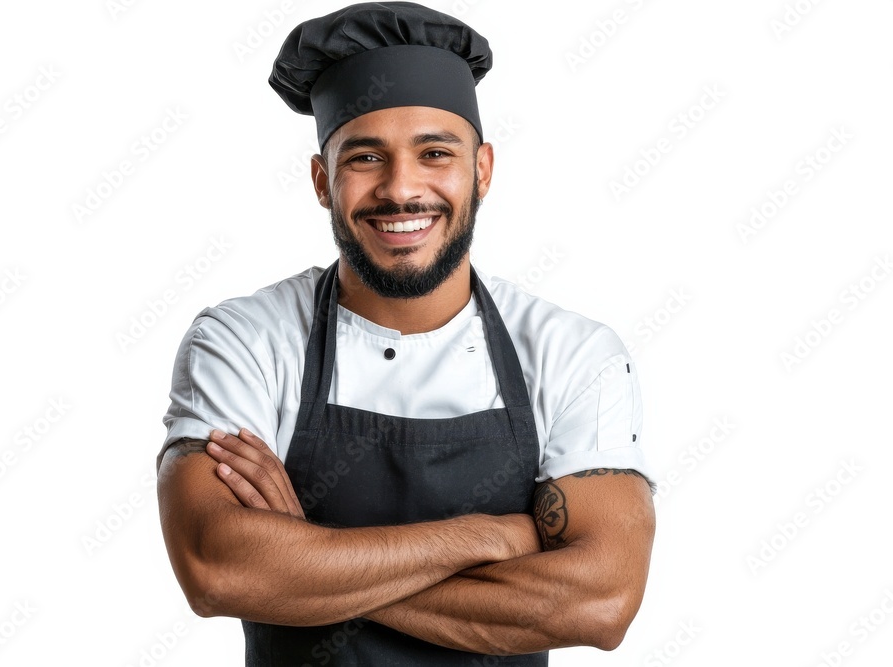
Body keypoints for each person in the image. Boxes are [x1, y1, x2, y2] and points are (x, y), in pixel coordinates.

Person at [156, 2, 656, 664]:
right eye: (366, 157)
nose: (401, 189)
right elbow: (219, 570)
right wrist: (484, 537)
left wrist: (302, 556)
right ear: (322, 181)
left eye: (435, 153)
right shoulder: (243, 340)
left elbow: (600, 604)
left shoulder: (574, 355)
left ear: (482, 170)